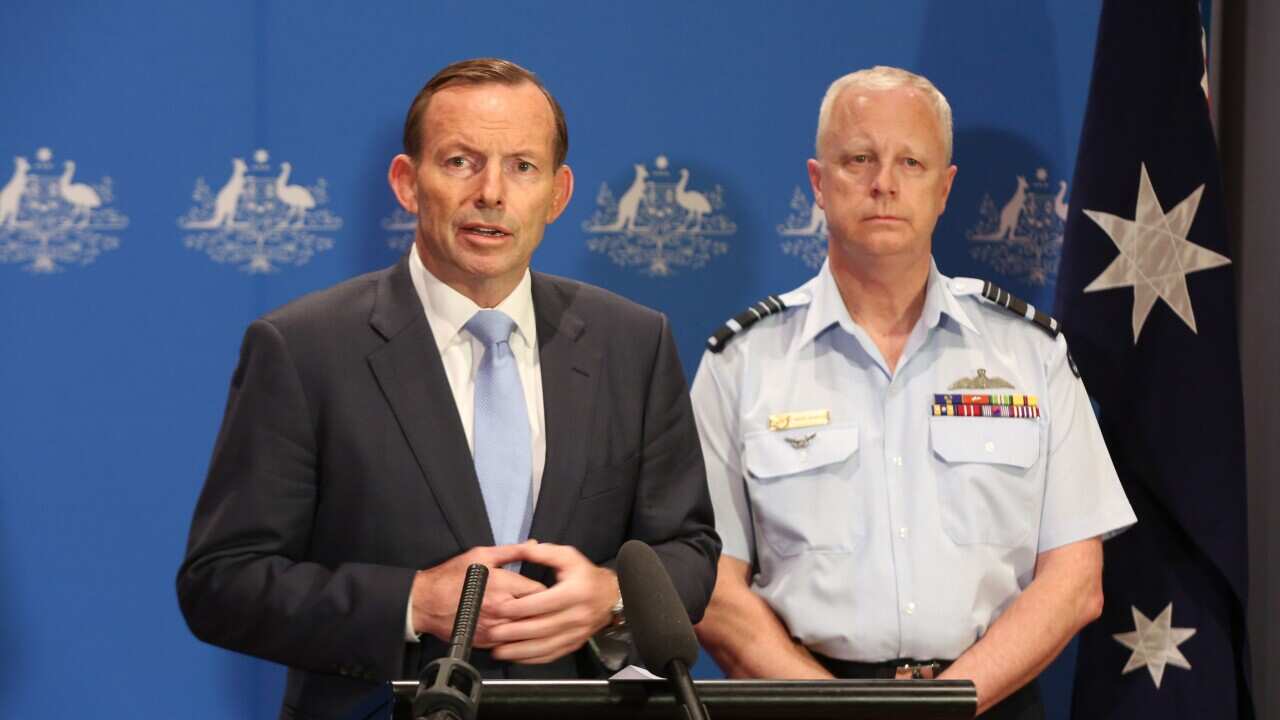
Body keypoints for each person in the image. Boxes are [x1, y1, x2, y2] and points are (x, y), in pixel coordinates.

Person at [177, 58, 719, 719]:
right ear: (407, 183)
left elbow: (689, 551)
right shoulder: (303, 349)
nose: (492, 192)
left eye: (523, 166)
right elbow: (222, 582)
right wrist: (411, 602)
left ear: (558, 192)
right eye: (461, 162)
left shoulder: (631, 343)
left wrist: (611, 596)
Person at [690, 66, 1135, 719]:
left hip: (991, 700)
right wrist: (840, 710)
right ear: (818, 182)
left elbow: (1074, 579)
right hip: (800, 704)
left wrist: (948, 705)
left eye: (912, 163)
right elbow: (712, 588)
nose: (884, 185)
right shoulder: (742, 362)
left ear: (945, 188)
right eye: (859, 159)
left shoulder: (1028, 354)